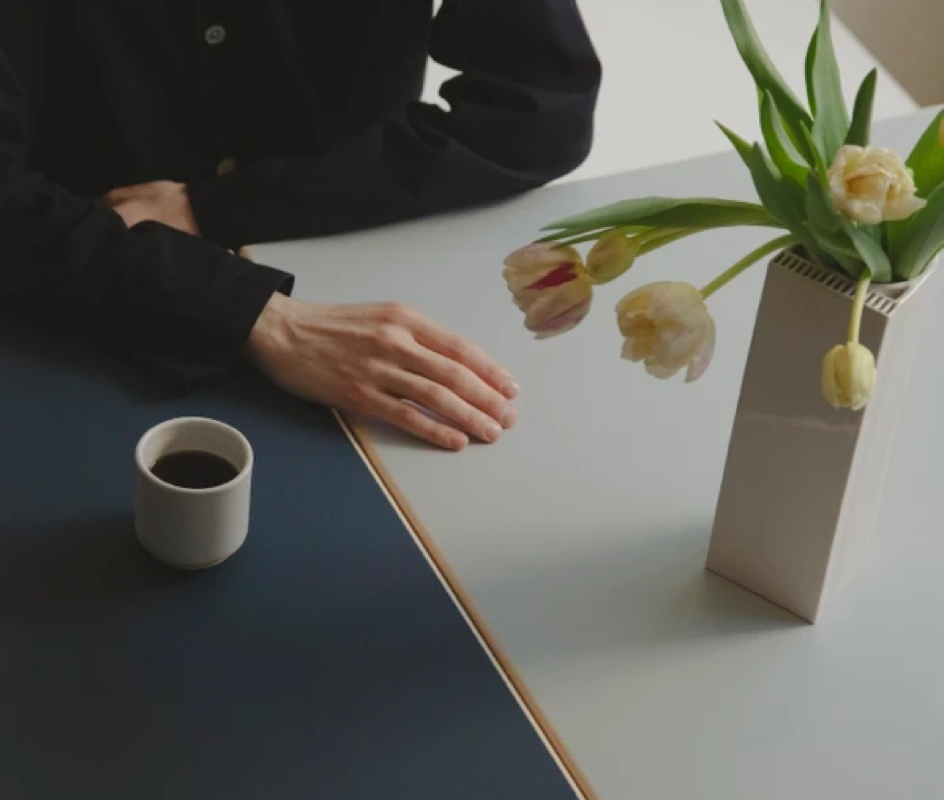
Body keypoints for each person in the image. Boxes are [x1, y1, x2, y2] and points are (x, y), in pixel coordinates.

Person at [0, 1, 601, 450]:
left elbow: (539, 109)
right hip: (72, 304)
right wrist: (261, 319)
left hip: (368, 277)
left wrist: (221, 205)